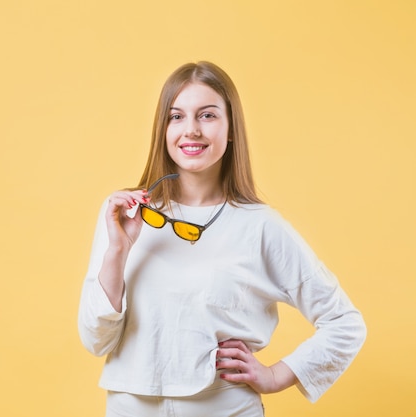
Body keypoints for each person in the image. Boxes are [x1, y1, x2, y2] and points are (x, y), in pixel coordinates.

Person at [77, 61, 367, 417]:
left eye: (208, 116)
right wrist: (118, 251)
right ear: (163, 129)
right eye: (177, 116)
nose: (191, 130)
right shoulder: (125, 216)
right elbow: (96, 339)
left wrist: (277, 375)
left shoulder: (260, 226)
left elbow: (344, 323)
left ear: (231, 130)